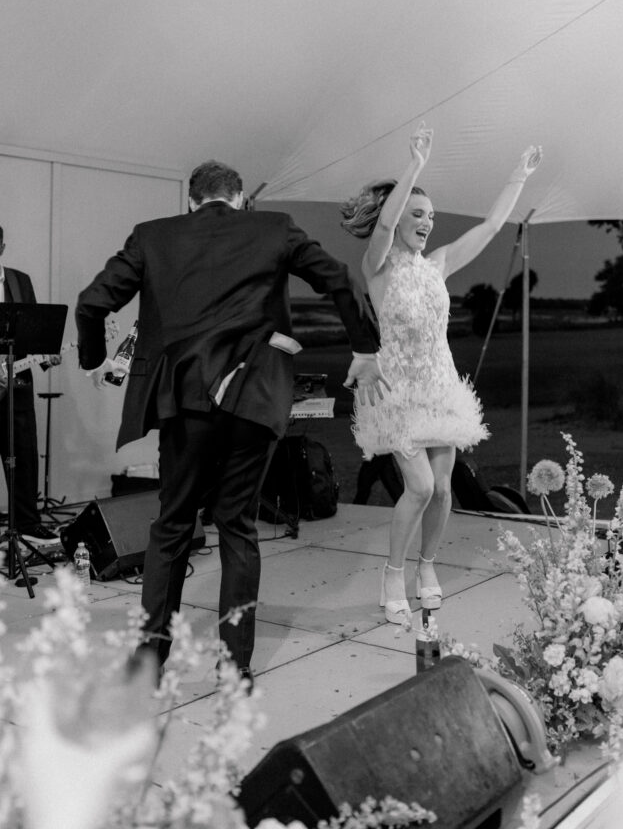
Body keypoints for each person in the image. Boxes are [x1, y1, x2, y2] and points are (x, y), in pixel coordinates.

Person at [76, 160, 388, 680]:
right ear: (241, 197)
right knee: (237, 526)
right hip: (255, 399)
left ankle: (151, 657)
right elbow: (341, 278)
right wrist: (364, 348)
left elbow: (92, 304)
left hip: (186, 402)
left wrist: (92, 360)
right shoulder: (274, 228)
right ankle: (234, 665)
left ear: (191, 200)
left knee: (172, 524)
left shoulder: (153, 237)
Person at [340, 126, 542, 624]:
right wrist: (416, 166)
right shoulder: (378, 266)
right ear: (399, 214)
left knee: (446, 489)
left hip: (440, 387)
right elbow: (384, 227)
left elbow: (491, 228)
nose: (426, 223)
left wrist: (517, 178)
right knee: (421, 486)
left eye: (431, 217)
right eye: (417, 213)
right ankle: (393, 573)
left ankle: (426, 567)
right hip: (398, 393)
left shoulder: (439, 264)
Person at [0, 226, 62, 550]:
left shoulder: (19, 280)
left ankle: (27, 524)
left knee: (23, 454)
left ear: (2, 246)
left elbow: (35, 332)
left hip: (18, 383)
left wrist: (45, 358)